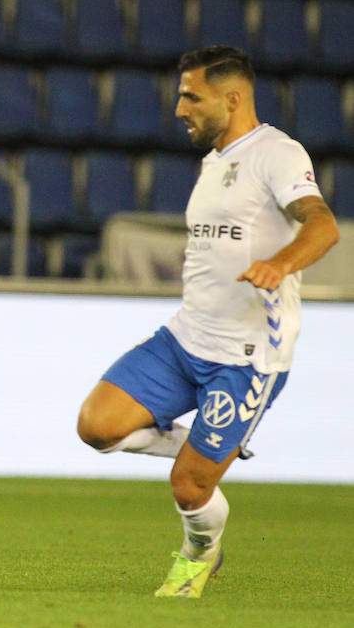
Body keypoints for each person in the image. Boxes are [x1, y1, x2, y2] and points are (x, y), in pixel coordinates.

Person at [77, 46, 339, 598]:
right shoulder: (217, 160)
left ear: (233, 98)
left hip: (247, 356)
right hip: (185, 337)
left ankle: (199, 554)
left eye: (191, 96)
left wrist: (280, 264)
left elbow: (323, 226)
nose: (180, 109)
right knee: (97, 427)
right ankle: (205, 445)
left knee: (189, 487)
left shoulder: (278, 154)